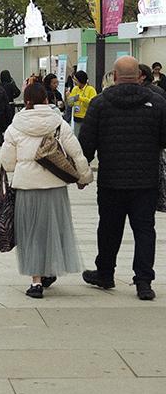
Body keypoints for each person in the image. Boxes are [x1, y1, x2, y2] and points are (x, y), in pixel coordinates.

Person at [77, 55, 166, 301]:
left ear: (114, 77)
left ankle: (105, 274)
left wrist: (81, 174)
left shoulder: (99, 104)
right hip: (145, 181)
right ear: (139, 76)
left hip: (111, 180)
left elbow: (86, 145)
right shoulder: (157, 103)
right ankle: (144, 282)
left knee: (108, 229)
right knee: (145, 231)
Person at [0, 81, 93, 299]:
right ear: (47, 99)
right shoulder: (59, 123)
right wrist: (84, 177)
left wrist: (21, 165)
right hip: (55, 185)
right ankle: (50, 270)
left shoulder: (15, 126)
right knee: (53, 230)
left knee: (30, 233)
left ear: (27, 100)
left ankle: (36, 282)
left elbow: (7, 161)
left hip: (26, 186)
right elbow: (77, 153)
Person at [64, 69, 97, 136]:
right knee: (77, 136)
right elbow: (70, 104)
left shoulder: (91, 89)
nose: (74, 81)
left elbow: (93, 103)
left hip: (87, 118)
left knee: (87, 137)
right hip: (77, 118)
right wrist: (68, 97)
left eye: (75, 80)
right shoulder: (75, 89)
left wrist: (80, 98)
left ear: (80, 80)